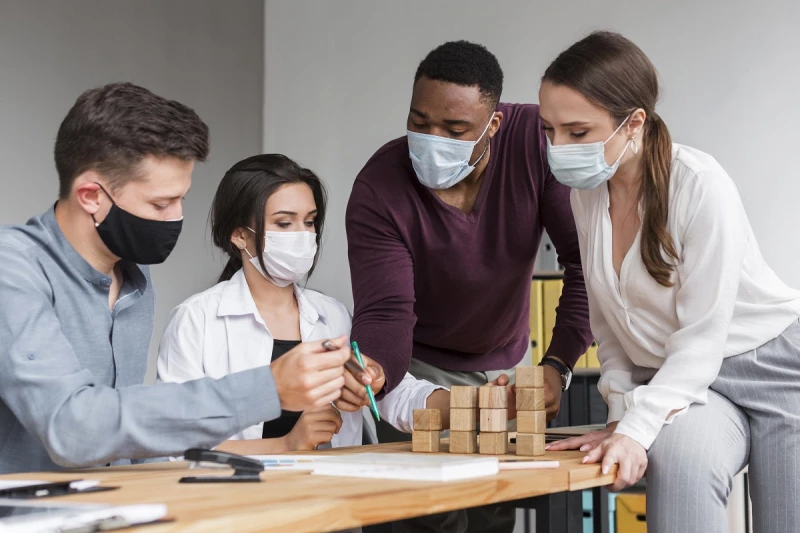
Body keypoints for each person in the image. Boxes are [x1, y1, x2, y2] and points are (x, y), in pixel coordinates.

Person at [0, 83, 353, 475]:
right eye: (160, 204)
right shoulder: (12, 269)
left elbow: (134, 435)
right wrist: (267, 388)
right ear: (90, 196)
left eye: (180, 199)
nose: (177, 218)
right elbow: (73, 428)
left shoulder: (133, 277)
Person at [541, 32, 800, 533]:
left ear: (633, 122)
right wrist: (621, 419)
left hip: (772, 369)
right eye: (548, 129)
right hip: (683, 379)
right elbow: (610, 328)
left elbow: (702, 339)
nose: (558, 148)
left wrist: (639, 426)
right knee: (678, 461)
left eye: (576, 132)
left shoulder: (700, 185)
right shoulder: (586, 197)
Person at [345, 41, 592, 533]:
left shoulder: (535, 142)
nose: (433, 138)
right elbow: (387, 311)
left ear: (493, 124)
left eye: (455, 130)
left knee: (491, 511)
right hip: (419, 369)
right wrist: (375, 369)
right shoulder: (379, 187)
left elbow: (585, 267)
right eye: (419, 122)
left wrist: (557, 366)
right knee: (428, 514)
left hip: (505, 363)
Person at [157, 154, 512, 452]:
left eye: (310, 222)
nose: (303, 235)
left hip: (332, 505)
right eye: (284, 223)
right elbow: (170, 445)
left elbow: (397, 397)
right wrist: (286, 444)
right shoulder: (197, 321)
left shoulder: (331, 315)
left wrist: (475, 404)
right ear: (239, 235)